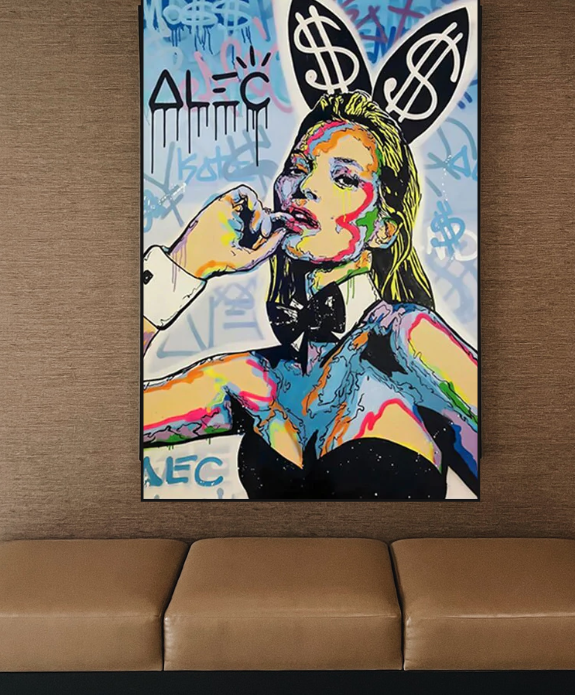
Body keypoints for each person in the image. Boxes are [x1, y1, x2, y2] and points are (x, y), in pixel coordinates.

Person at [141, 90, 478, 500]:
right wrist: (185, 262)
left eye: (345, 178)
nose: (306, 186)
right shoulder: (252, 377)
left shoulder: (410, 337)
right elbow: (108, 416)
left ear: (384, 228)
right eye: (298, 167)